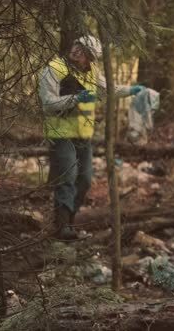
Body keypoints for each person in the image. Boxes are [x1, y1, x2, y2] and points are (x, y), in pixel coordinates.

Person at [39, 35, 146, 240]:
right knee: (67, 179)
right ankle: (61, 227)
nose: (77, 52)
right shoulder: (53, 70)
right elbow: (48, 103)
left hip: (83, 136)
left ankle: (68, 221)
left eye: (84, 52)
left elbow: (109, 90)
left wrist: (131, 90)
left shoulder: (92, 72)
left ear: (90, 58)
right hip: (61, 134)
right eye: (77, 46)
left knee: (85, 180)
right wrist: (75, 98)